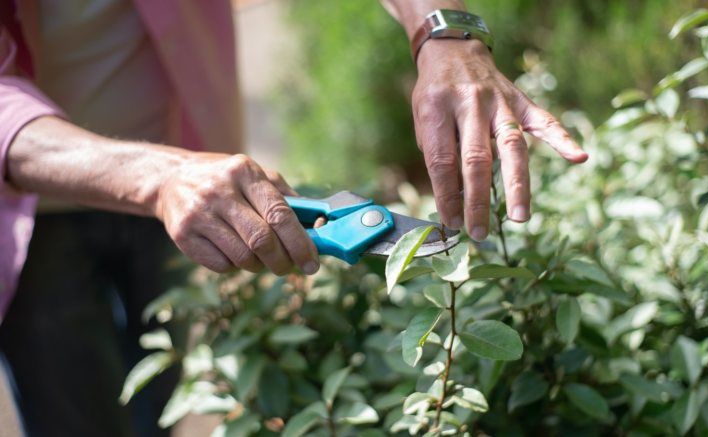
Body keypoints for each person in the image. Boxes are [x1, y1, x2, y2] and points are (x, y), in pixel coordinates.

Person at [0, 0, 587, 435]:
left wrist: (443, 30)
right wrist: (156, 177)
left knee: (155, 412)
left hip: (193, 174)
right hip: (33, 213)